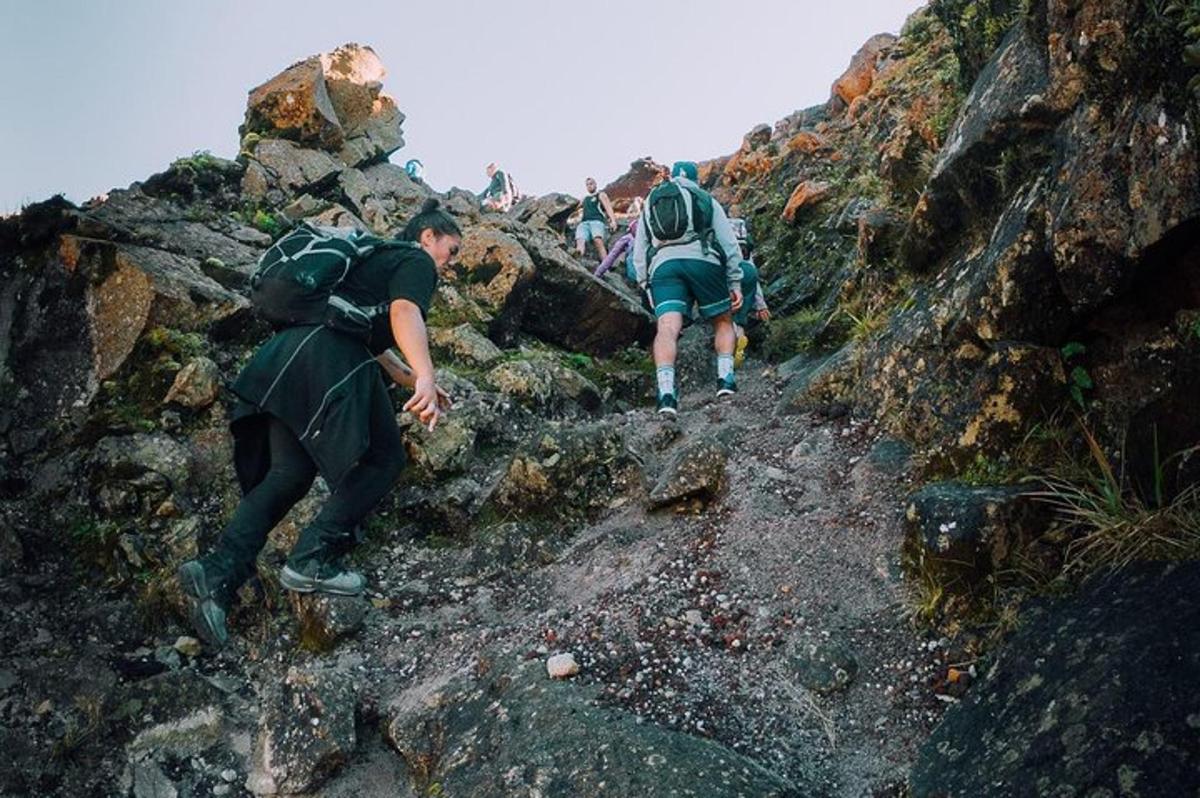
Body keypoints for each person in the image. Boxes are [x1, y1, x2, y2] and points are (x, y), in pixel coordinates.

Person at [177, 198, 461, 649]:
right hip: (328, 359)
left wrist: (415, 378)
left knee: (289, 474)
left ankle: (215, 573)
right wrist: (426, 372)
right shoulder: (414, 259)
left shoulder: (367, 266)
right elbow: (404, 313)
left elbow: (373, 341)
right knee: (384, 459)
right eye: (452, 250)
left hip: (288, 357)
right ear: (429, 236)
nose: (450, 263)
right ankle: (313, 558)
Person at [632, 161, 744, 415]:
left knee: (667, 329)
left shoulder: (652, 200)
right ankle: (725, 380)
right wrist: (734, 281)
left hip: (664, 266)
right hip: (702, 260)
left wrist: (644, 283)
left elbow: (639, 251)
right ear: (696, 179)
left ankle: (666, 395)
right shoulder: (703, 197)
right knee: (723, 321)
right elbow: (729, 243)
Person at [592, 197, 645, 282]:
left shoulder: (627, 237)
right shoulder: (650, 228)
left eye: (631, 213)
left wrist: (596, 275)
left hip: (638, 272)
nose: (629, 216)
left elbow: (611, 257)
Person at [574, 177, 617, 260]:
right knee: (580, 241)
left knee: (598, 240)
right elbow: (574, 208)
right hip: (584, 223)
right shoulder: (584, 198)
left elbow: (608, 207)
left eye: (591, 184)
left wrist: (613, 221)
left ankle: (605, 266)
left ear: (595, 185)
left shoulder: (600, 195)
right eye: (587, 185)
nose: (589, 186)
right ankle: (577, 262)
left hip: (596, 221)